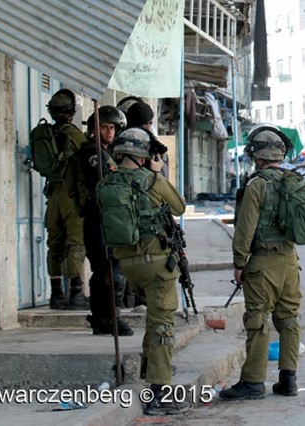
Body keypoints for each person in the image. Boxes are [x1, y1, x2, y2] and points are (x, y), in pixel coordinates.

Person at [98, 128, 188, 416]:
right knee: (163, 323)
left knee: (154, 315)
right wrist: (159, 171)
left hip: (127, 265)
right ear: (144, 156)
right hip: (156, 264)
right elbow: (180, 206)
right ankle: (160, 392)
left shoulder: (106, 184)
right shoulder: (152, 180)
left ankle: (151, 363)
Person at [220, 124, 303, 401]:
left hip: (262, 263)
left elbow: (244, 230)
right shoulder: (293, 181)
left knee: (257, 320)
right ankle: (288, 379)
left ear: (256, 155)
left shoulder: (256, 185)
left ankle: (253, 382)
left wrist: (239, 262)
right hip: (290, 261)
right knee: (289, 319)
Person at [73, 105, 133, 337]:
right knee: (108, 270)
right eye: (104, 127)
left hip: (106, 220)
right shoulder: (94, 154)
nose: (109, 132)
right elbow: (111, 185)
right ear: (94, 129)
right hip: (98, 220)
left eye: (112, 128)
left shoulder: (105, 153)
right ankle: (110, 317)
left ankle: (103, 318)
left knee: (106, 270)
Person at [43, 89, 89, 310]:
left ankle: (55, 295)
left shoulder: (45, 134)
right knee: (75, 243)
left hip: (52, 195)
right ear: (71, 112)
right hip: (71, 195)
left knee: (55, 244)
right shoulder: (73, 134)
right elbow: (87, 156)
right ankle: (76, 294)